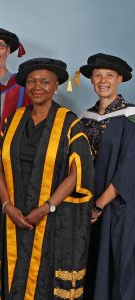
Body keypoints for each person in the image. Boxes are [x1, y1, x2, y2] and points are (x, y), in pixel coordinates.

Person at [0, 58, 94, 299]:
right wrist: (7, 206)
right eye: (31, 82)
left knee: (43, 281)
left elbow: (77, 172)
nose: (37, 87)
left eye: (44, 82)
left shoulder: (69, 122)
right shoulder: (13, 120)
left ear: (56, 85)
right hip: (13, 214)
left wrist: (47, 207)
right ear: (25, 86)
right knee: (12, 275)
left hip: (50, 219)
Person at [79, 53, 135, 300]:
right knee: (89, 264)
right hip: (86, 207)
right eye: (98, 75)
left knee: (119, 266)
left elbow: (129, 168)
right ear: (91, 79)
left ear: (120, 79)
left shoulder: (131, 118)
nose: (103, 80)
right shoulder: (84, 118)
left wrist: (99, 206)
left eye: (109, 75)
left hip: (118, 207)